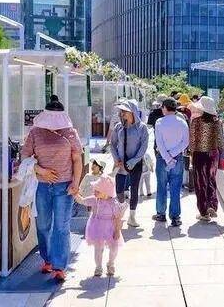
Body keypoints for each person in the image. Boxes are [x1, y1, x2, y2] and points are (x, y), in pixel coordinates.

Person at [21, 94, 83, 282]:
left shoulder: (70, 132)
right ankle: (47, 258)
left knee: (61, 226)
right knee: (43, 225)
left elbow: (77, 159)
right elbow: (24, 156)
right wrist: (40, 170)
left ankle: (59, 266)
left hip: (64, 186)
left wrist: (76, 183)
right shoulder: (35, 132)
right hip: (42, 185)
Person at [74, 176, 124, 277]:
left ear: (106, 192)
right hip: (97, 227)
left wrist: (117, 231)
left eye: (98, 190)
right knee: (98, 248)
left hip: (111, 228)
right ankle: (98, 267)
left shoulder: (114, 203)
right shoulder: (94, 200)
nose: (94, 191)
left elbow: (118, 218)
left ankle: (111, 263)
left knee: (114, 248)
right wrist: (75, 194)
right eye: (95, 189)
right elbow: (82, 201)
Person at [110, 100, 149, 228]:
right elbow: (113, 144)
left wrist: (134, 161)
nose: (122, 113)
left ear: (132, 112)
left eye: (125, 111)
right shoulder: (118, 127)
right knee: (119, 190)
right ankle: (120, 213)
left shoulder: (142, 128)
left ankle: (132, 216)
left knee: (134, 190)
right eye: (121, 111)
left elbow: (143, 147)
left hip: (135, 163)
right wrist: (116, 159)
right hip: (120, 164)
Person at [153, 98, 189, 227]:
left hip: (162, 157)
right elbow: (185, 142)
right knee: (175, 188)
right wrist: (173, 154)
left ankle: (161, 214)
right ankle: (175, 217)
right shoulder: (182, 122)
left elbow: (159, 142)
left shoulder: (159, 122)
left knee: (161, 186)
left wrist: (167, 157)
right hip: (177, 158)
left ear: (164, 108)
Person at [190, 96, 224, 222]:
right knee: (211, 179)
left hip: (199, 154)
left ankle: (204, 211)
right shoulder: (217, 122)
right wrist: (223, 152)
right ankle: (212, 205)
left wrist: (191, 155)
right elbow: (220, 141)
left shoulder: (196, 121)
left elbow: (192, 141)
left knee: (200, 182)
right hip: (213, 154)